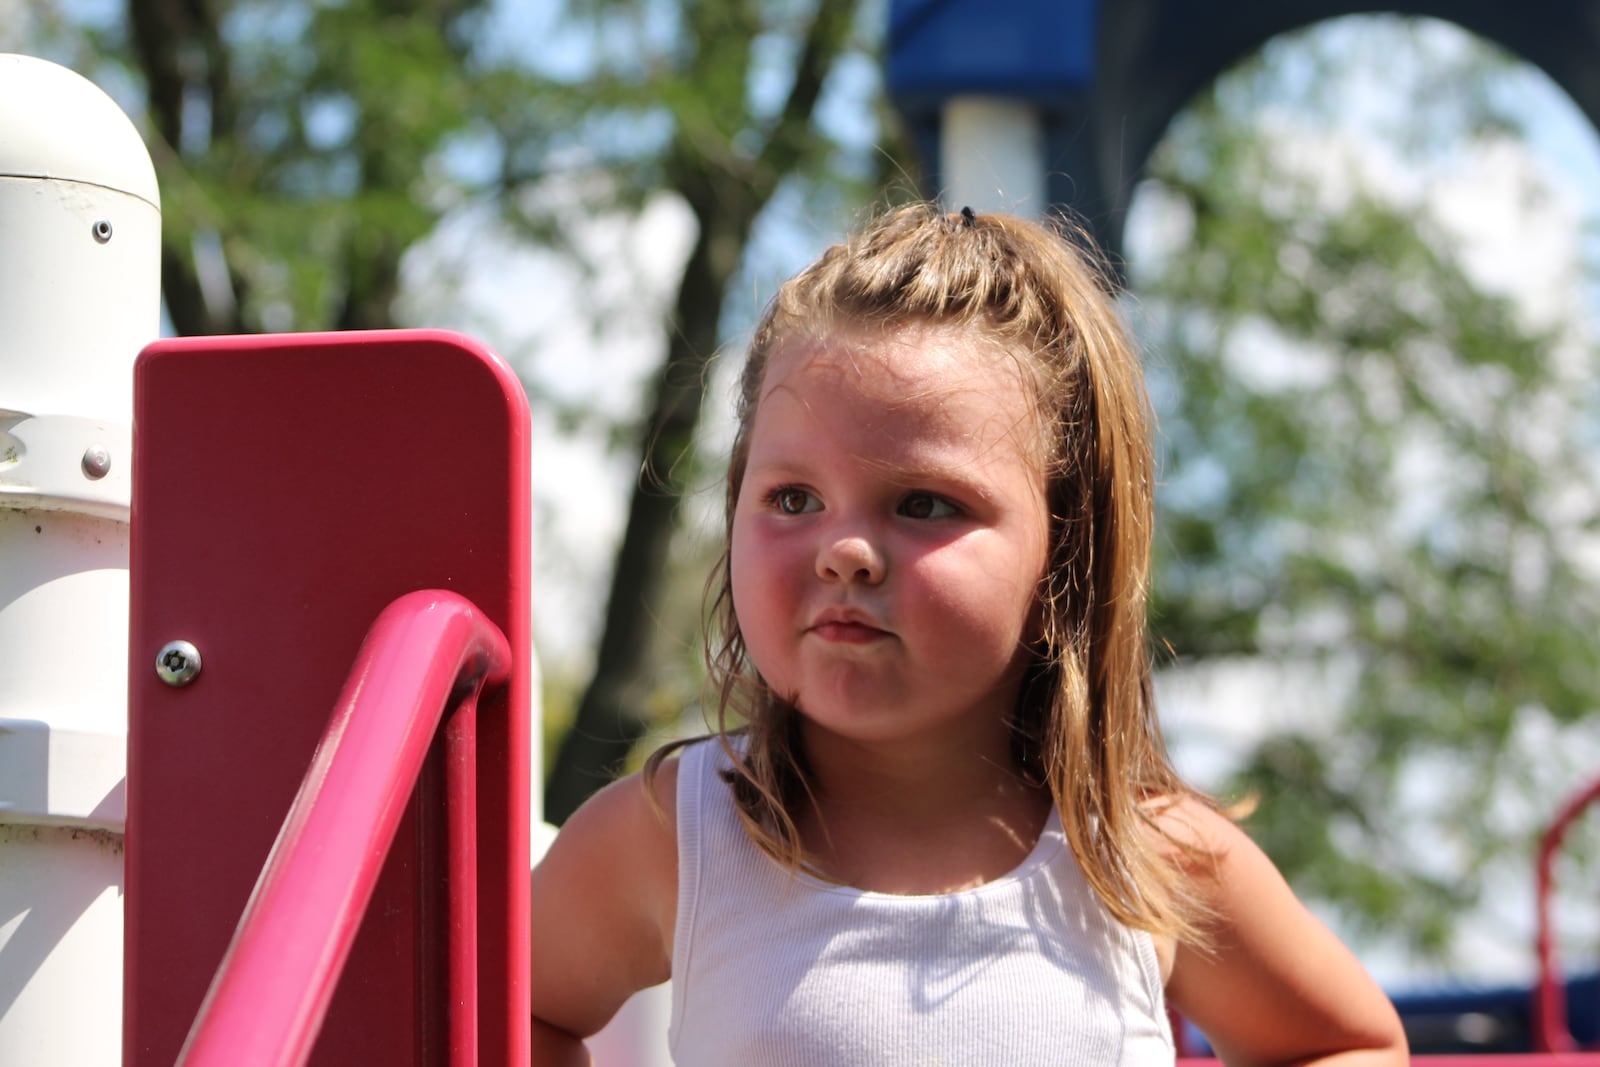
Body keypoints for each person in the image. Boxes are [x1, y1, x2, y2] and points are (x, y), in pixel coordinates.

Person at [529, 202, 1408, 1065]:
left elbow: (1348, 1042)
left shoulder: (1141, 853)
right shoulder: (675, 835)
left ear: (1063, 547)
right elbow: (505, 1015)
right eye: (793, 498)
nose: (844, 550)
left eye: (925, 504)